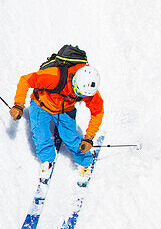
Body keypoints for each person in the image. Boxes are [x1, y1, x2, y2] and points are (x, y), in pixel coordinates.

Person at [9, 53, 103, 184]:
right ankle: (47, 159)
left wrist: (89, 137)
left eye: (81, 95)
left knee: (71, 138)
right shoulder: (54, 76)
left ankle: (85, 161)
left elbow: (98, 111)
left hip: (65, 109)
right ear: (75, 80)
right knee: (41, 135)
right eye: (78, 92)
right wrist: (18, 105)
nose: (79, 96)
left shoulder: (88, 89)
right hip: (41, 105)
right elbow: (25, 80)